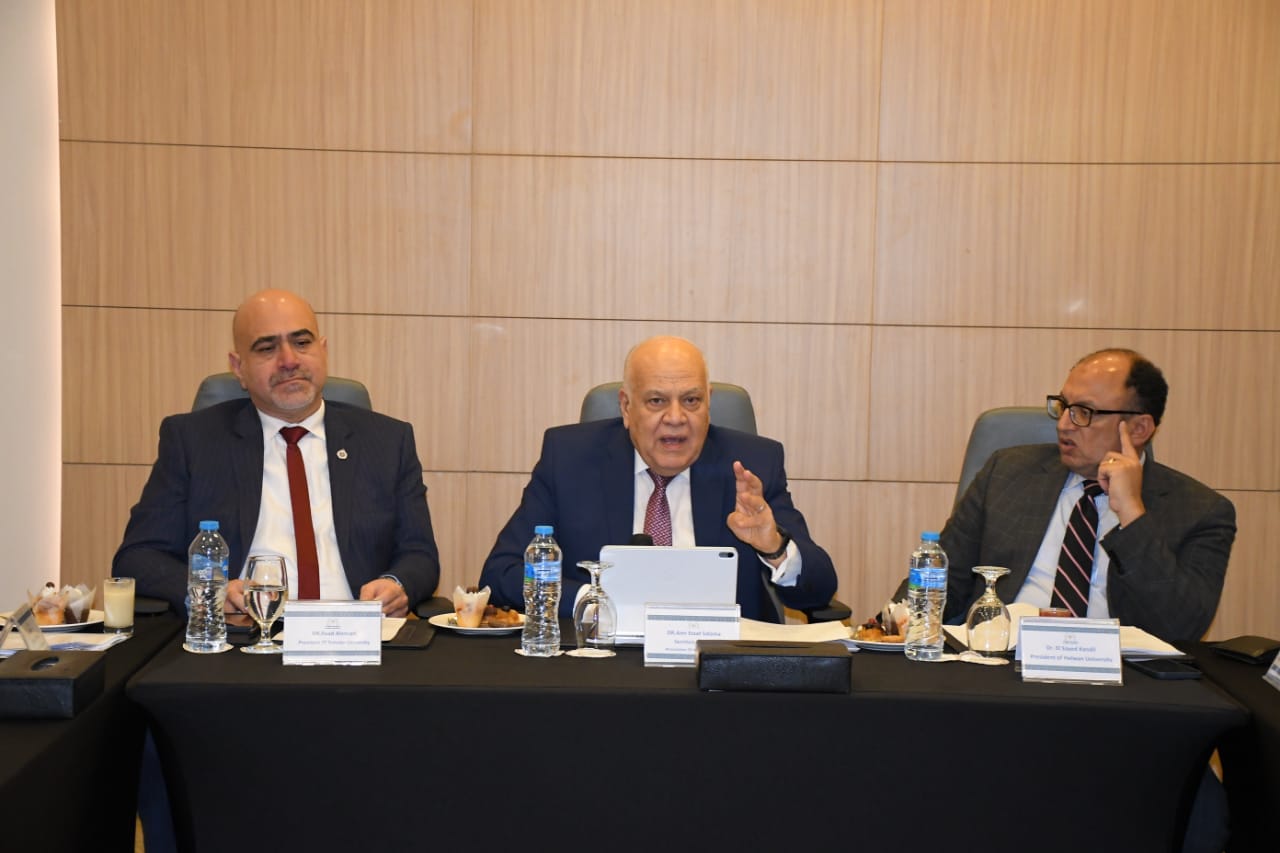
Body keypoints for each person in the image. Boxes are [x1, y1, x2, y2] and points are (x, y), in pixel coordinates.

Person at [114, 288, 440, 618]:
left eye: (302, 342)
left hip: (355, 634)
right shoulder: (193, 441)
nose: (289, 361)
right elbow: (139, 557)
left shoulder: (388, 441)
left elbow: (419, 554)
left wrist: (397, 584)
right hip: (243, 636)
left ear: (323, 350)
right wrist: (211, 591)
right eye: (267, 348)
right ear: (238, 367)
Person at [479, 335, 837, 622]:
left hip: (721, 670)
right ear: (626, 406)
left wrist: (774, 546)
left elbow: (819, 589)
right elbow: (502, 573)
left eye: (691, 400)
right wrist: (596, 601)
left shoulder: (751, 466)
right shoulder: (570, 460)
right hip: (602, 663)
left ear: (708, 403)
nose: (676, 417)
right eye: (656, 401)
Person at [893, 348, 1235, 643]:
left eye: (1084, 412)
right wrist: (896, 626)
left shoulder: (1201, 511)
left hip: (1120, 678)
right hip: (1002, 662)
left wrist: (1132, 514)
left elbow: (1181, 629)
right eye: (1063, 406)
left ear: (1139, 428)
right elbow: (942, 582)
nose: (1064, 424)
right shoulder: (1007, 473)